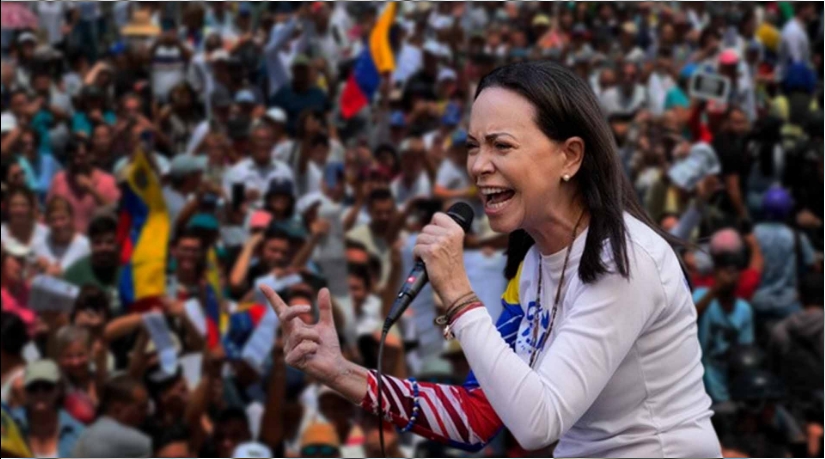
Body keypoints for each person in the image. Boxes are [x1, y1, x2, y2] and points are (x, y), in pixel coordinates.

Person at [262, 61, 721, 457]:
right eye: (472, 146)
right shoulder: (534, 264)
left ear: (570, 157)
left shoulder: (624, 260)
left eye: (501, 146)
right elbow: (477, 416)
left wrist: (458, 294)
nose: (479, 165)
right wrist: (340, 372)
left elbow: (538, 423)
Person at [694, 252, 756, 404]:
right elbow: (689, 317)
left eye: (735, 271)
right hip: (699, 380)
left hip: (726, 380)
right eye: (726, 270)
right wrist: (715, 290)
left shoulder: (744, 309)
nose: (730, 275)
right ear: (716, 273)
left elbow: (745, 348)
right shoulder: (702, 295)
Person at [10, 360, 85, 458]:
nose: (40, 393)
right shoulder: (10, 425)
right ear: (25, 390)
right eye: (33, 387)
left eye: (47, 387)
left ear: (59, 389)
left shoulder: (78, 433)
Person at [47, 136, 120, 234]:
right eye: (72, 157)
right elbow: (50, 211)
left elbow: (115, 212)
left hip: (97, 239)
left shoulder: (108, 181)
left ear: (91, 155)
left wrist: (92, 190)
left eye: (81, 156)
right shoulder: (59, 180)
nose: (76, 161)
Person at [72, 374, 151, 458]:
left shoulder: (86, 434)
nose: (147, 412)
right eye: (141, 408)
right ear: (118, 407)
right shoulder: (134, 441)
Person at [63, 214, 122, 313]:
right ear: (90, 244)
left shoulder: (128, 270)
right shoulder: (74, 274)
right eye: (98, 243)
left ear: (117, 243)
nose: (104, 248)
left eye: (109, 242)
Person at [32, 197, 91, 276]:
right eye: (53, 219)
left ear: (71, 218)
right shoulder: (38, 245)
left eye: (62, 218)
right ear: (48, 222)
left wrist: (62, 275)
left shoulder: (85, 247)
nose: (58, 224)